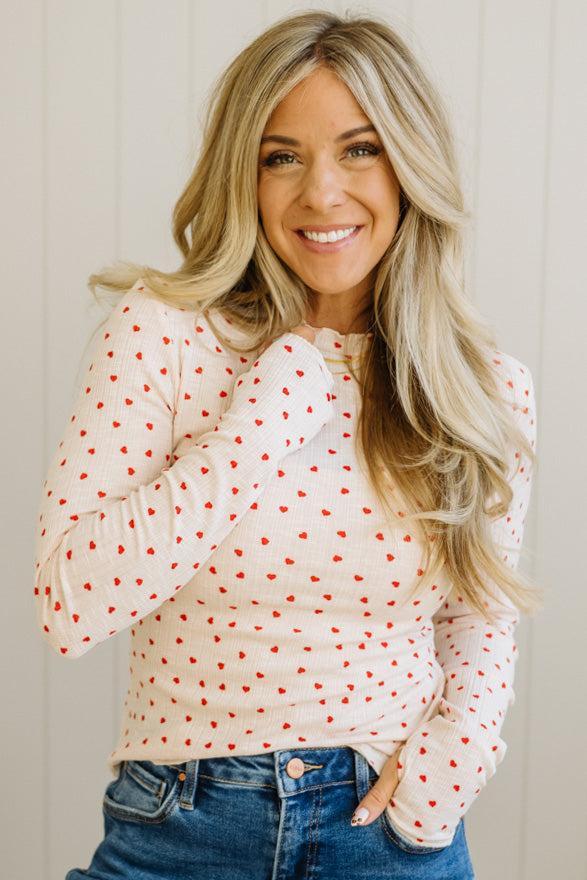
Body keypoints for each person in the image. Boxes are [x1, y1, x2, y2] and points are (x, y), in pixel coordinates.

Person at [33, 10, 541, 880]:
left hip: (388, 827)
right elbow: (70, 604)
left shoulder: (482, 386)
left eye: (359, 149)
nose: (321, 193)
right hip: (180, 826)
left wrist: (453, 762)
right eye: (281, 157)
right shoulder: (163, 336)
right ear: (245, 174)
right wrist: (255, 431)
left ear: (409, 163)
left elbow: (475, 611)